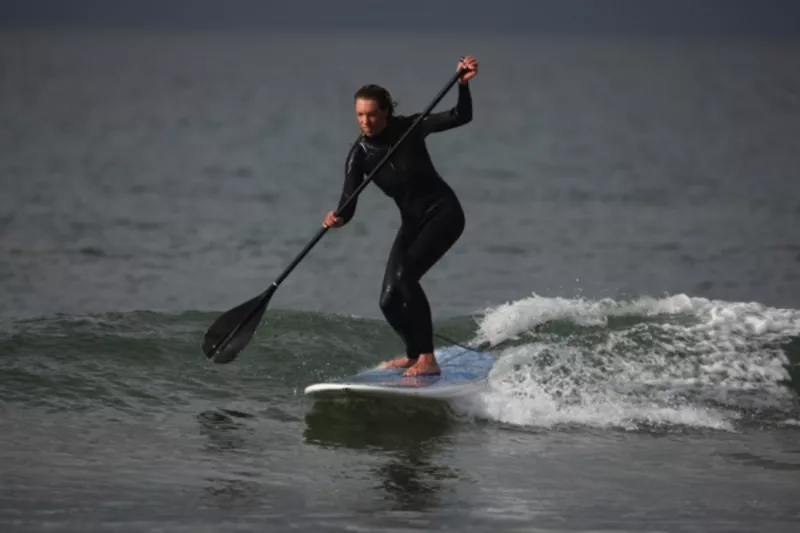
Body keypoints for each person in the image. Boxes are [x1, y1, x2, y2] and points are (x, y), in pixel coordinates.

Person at [323, 56, 479, 376]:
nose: (365, 122)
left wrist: (462, 85)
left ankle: (428, 359)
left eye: (371, 115)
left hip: (444, 214)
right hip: (412, 224)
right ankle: (413, 355)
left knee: (407, 276)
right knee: (388, 300)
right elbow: (348, 203)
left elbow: (460, 116)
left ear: (386, 112)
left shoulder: (410, 128)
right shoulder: (360, 155)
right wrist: (337, 218)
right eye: (359, 115)